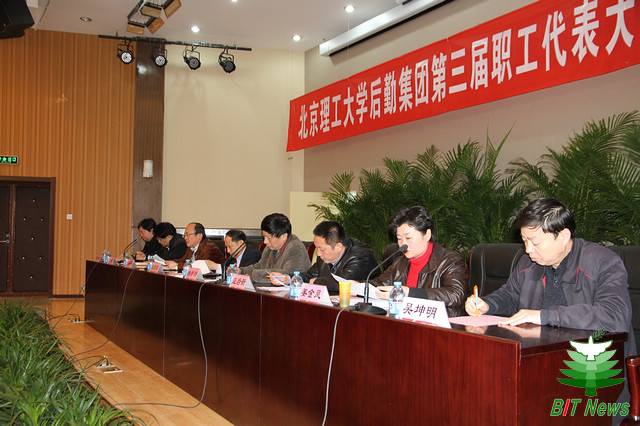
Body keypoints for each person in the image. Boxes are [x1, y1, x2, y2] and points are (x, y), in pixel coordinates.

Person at [465, 198, 634, 350]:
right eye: (525, 241)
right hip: (542, 354)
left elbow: (614, 316)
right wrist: (487, 304)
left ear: (564, 236)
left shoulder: (602, 263)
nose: (528, 249)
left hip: (595, 359)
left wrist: (546, 316)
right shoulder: (528, 263)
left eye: (535, 242)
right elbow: (510, 296)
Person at [371, 206, 469, 317]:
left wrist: (411, 293)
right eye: (399, 238)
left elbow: (456, 294)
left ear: (427, 235)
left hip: (438, 324)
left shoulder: (449, 260)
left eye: (408, 238)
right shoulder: (401, 262)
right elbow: (380, 283)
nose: (402, 244)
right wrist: (358, 286)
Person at [297, 221, 379, 294]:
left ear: (338, 247)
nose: (318, 253)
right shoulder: (324, 256)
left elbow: (342, 284)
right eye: (316, 248)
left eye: (322, 249)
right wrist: (291, 278)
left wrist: (316, 281)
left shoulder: (359, 255)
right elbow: (308, 277)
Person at [238, 213, 311, 284]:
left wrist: (254, 275)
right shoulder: (270, 247)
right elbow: (260, 266)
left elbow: (287, 274)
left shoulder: (295, 248)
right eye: (264, 237)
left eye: (269, 238)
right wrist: (241, 271)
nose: (265, 241)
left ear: (283, 236)